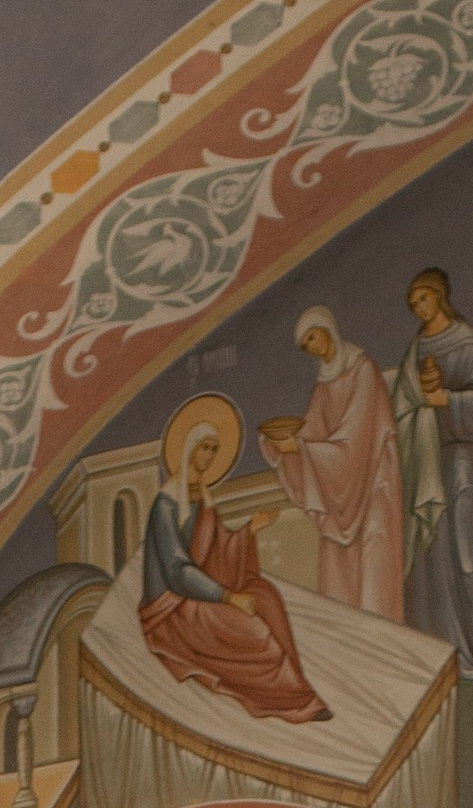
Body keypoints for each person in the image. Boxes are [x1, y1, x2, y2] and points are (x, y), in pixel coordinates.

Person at [140, 394, 329, 727]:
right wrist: (229, 597)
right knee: (251, 630)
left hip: (201, 588)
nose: (210, 455)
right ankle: (290, 703)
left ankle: (298, 687)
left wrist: (248, 530)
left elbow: (217, 549)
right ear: (189, 450)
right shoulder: (167, 504)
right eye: (205, 447)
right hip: (172, 607)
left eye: (214, 448)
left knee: (267, 597)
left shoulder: (203, 494)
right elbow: (176, 570)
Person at [392, 269, 473, 681]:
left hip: (462, 459)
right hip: (426, 463)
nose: (420, 309)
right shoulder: (416, 348)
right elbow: (400, 407)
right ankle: (435, 658)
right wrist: (422, 403)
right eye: (414, 305)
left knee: (465, 556)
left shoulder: (465, 341)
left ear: (439, 297)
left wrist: (446, 399)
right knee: (428, 559)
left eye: (424, 300)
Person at [258, 306, 406, 622]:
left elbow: (356, 439)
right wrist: (284, 445)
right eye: (305, 345)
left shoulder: (363, 370)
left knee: (373, 562)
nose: (311, 347)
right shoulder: (324, 384)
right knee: (337, 562)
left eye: (312, 337)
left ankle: (380, 643)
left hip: (373, 484)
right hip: (340, 489)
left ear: (327, 328)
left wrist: (303, 448)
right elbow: (312, 429)